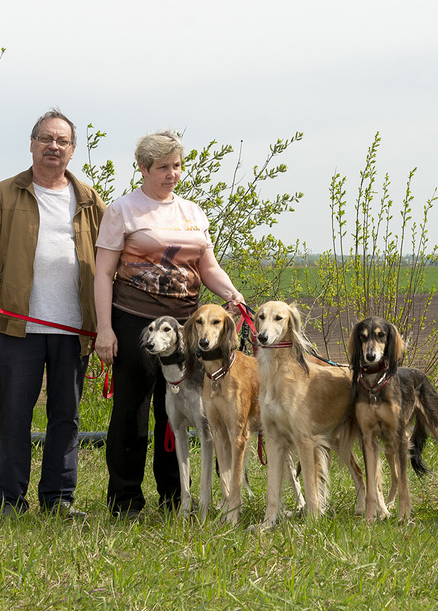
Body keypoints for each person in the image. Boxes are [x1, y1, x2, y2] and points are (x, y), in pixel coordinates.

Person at [94, 129, 246, 519]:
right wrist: (105, 329)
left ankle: (176, 499)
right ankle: (125, 501)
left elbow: (206, 266)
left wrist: (232, 294)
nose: (172, 174)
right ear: (143, 168)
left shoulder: (193, 213)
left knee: (184, 412)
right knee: (133, 410)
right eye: (163, 167)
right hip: (136, 324)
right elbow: (102, 274)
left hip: (189, 327)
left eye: (177, 166)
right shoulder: (123, 210)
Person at [0, 109, 106, 518]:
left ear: (73, 150)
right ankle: (10, 500)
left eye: (61, 141)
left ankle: (59, 499)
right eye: (46, 139)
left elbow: (112, 260)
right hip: (18, 327)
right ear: (31, 144)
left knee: (67, 416)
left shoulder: (91, 201)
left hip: (74, 329)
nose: (53, 147)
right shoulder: (5, 194)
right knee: (12, 415)